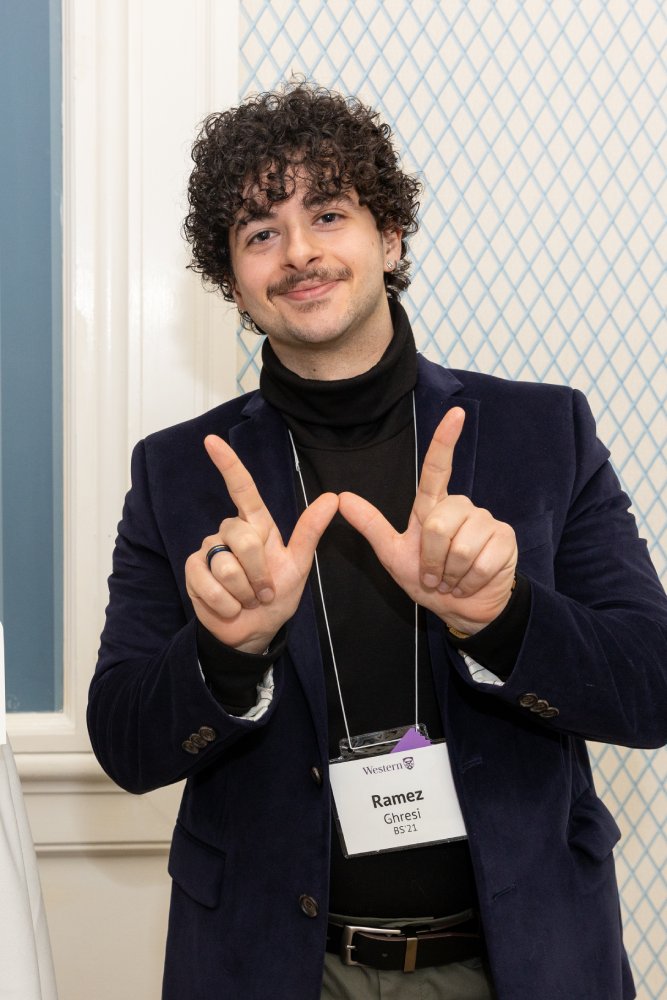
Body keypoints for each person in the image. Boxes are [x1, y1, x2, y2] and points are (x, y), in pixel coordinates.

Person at [88, 81, 667, 1000]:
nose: (299, 252)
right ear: (232, 281)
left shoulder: (542, 433)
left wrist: (502, 618)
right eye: (260, 232)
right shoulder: (178, 473)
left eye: (328, 214)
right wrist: (227, 653)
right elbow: (126, 744)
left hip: (521, 961)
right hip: (274, 968)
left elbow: (651, 689)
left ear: (389, 237)